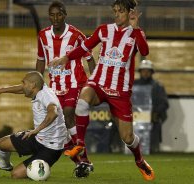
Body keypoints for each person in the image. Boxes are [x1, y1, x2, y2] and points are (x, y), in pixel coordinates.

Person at [50, 0, 155, 181]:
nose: (116, 15)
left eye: (120, 11)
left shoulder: (135, 34)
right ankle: (80, 145)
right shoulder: (104, 30)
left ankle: (139, 160)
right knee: (83, 99)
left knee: (127, 137)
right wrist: (65, 58)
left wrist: (136, 27)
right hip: (98, 83)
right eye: (114, 11)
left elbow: (145, 50)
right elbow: (84, 47)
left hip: (120, 92)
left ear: (130, 12)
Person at [36, 0, 96, 177]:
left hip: (75, 83)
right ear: (49, 16)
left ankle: (81, 155)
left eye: (59, 14)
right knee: (59, 127)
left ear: (65, 15)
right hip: (54, 86)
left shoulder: (76, 35)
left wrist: (95, 84)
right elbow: (40, 59)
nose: (55, 18)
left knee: (68, 113)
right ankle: (82, 162)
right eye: (52, 15)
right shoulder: (42, 35)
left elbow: (89, 58)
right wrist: (38, 85)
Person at [0, 71, 67, 179]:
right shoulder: (39, 88)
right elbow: (21, 88)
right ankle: (4, 164)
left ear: (32, 85)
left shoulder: (46, 96)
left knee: (16, 175)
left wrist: (36, 130)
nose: (22, 86)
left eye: (24, 83)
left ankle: (41, 164)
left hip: (51, 147)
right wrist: (1, 90)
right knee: (1, 143)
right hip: (38, 138)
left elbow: (53, 113)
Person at [134, 60, 169, 153]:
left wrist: (156, 113)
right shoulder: (133, 85)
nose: (145, 73)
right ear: (140, 72)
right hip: (135, 117)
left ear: (151, 72)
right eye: (143, 70)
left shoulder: (157, 86)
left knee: (155, 126)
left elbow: (164, 103)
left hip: (152, 118)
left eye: (148, 71)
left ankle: (153, 149)